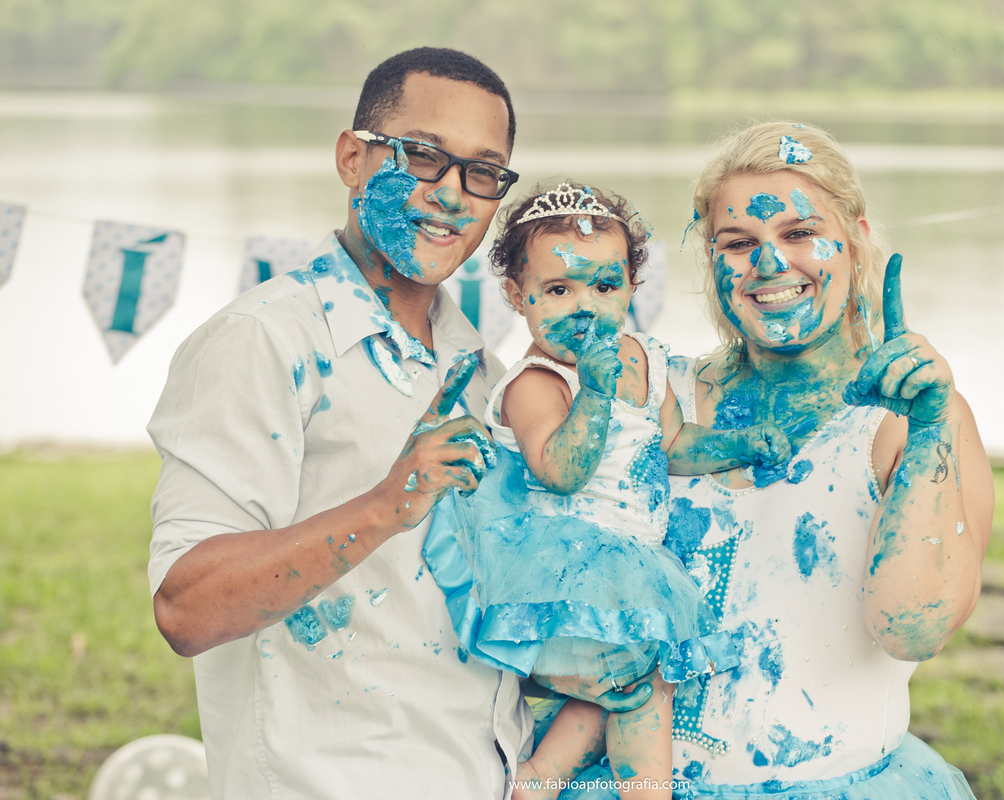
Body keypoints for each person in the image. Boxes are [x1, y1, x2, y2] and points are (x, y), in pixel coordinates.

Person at [146, 49, 645, 800]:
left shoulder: (476, 363)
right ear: (353, 157)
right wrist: (385, 506)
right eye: (421, 155)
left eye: (482, 172)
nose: (450, 194)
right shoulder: (267, 340)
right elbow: (186, 608)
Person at [564, 121, 994, 799]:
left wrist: (932, 430)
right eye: (738, 244)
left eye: (798, 234)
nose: (768, 263)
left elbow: (912, 627)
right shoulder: (653, 398)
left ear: (854, 239)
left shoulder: (900, 422)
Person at [424, 183, 791, 800]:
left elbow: (672, 447)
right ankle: (648, 790)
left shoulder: (642, 359)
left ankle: (539, 778)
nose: (584, 307)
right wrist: (592, 392)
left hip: (637, 563)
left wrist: (740, 443)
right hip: (569, 567)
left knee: (627, 680)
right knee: (641, 688)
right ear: (519, 296)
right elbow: (559, 471)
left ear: (631, 288)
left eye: (604, 286)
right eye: (559, 290)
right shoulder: (537, 382)